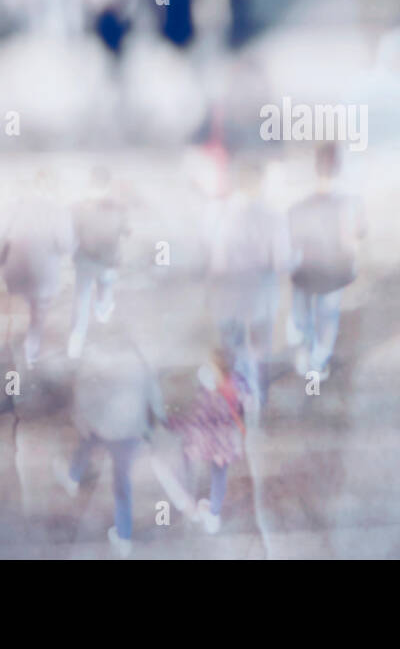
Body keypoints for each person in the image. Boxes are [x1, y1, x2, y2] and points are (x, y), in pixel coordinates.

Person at [58, 328, 165, 557]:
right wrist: (156, 426)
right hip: (131, 433)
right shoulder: (140, 363)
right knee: (122, 484)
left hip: (105, 426)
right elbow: (154, 395)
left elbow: (85, 391)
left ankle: (73, 477)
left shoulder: (100, 362)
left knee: (87, 442)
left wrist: (82, 416)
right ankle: (124, 537)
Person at [207, 159, 289, 410]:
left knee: (232, 352)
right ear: (261, 184)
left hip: (230, 296)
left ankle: (233, 403)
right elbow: (281, 262)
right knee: (258, 352)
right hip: (261, 296)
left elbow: (218, 263)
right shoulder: (274, 217)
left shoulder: (223, 216)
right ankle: (255, 401)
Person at [287, 144, 365, 380]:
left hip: (306, 271)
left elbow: (292, 241)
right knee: (328, 315)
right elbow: (354, 241)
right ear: (339, 168)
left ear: (315, 167)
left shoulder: (300, 206)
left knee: (303, 315)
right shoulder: (350, 204)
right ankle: (318, 361)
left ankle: (305, 348)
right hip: (334, 272)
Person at [161, 347, 248, 534]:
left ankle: (190, 502)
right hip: (227, 441)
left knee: (186, 458)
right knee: (219, 475)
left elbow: (196, 420)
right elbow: (242, 407)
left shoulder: (207, 393)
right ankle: (213, 514)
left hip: (208, 439)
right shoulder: (235, 384)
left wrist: (173, 423)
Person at [0, 171, 75, 367]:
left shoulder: (12, 208)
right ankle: (30, 353)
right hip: (43, 274)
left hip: (14, 272)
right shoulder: (58, 211)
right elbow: (66, 246)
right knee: (38, 314)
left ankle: (12, 351)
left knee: (16, 311)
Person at [68, 167, 130, 358]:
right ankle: (103, 312)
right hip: (109, 260)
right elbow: (126, 231)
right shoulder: (119, 208)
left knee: (82, 300)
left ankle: (75, 344)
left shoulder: (78, 207)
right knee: (106, 289)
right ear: (107, 185)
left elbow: (73, 232)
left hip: (85, 261)